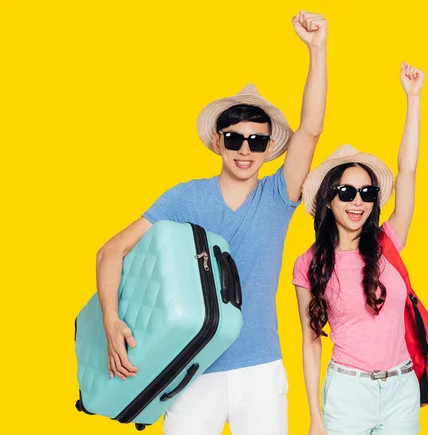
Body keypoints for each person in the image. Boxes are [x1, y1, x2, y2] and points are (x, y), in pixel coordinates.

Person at [95, 10, 328, 435]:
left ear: (270, 145)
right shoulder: (185, 197)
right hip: (190, 366)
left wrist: (317, 49)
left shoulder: (278, 196)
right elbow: (110, 251)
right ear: (218, 140)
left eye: (256, 140)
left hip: (260, 368)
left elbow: (311, 130)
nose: (245, 149)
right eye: (235, 138)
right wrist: (111, 322)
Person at [292, 62, 425, 435]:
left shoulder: (387, 242)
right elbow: (310, 342)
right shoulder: (308, 263)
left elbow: (408, 170)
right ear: (328, 199)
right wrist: (315, 416)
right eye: (346, 192)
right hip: (347, 394)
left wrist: (412, 99)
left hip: (401, 389)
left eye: (366, 193)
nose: (357, 202)